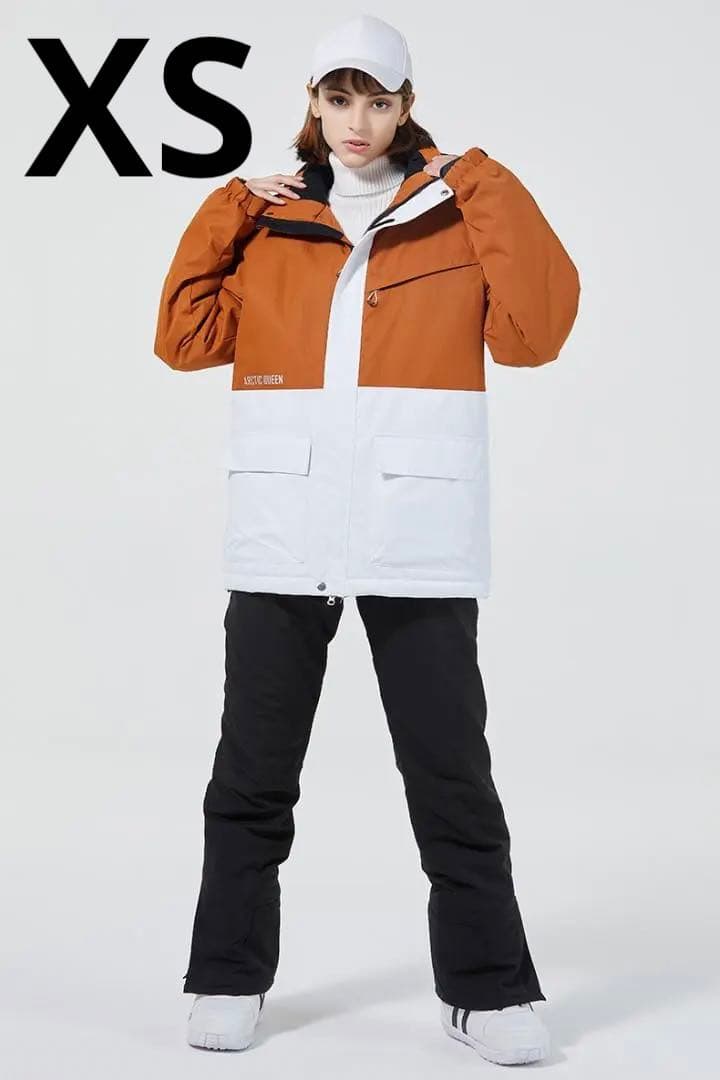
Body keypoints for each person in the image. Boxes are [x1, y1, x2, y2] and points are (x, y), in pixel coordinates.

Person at [153, 13, 580, 1066]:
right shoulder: (270, 223)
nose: (357, 121)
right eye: (338, 99)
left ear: (406, 104)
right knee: (251, 775)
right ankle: (227, 976)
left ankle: (487, 991)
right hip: (284, 525)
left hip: (415, 526)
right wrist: (227, 205)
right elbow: (184, 337)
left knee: (450, 775)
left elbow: (536, 334)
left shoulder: (450, 213)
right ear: (311, 102)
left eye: (377, 101)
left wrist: (483, 183)